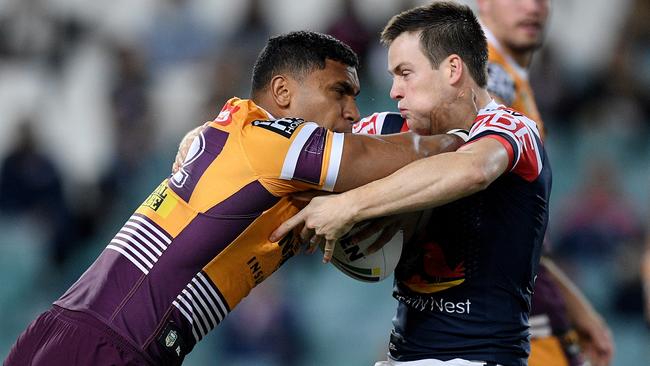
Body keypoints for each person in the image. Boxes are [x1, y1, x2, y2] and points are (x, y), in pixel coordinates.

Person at [4, 31, 466, 366]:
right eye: (339, 92)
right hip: (114, 342)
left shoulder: (242, 132)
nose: (351, 111)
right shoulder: (276, 143)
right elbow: (380, 151)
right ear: (283, 92)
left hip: (71, 329)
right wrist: (468, 136)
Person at [271, 3, 551, 365]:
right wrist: (218, 136)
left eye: (405, 73)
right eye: (392, 76)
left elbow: (472, 170)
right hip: (404, 356)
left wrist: (350, 205)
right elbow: (292, 144)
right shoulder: (388, 131)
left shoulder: (514, 130)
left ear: (452, 69)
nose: (394, 91)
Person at [477, 1, 614, 365]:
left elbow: (519, 226)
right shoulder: (486, 73)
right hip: (505, 313)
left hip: (529, 296)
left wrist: (573, 302)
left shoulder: (512, 76)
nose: (533, 7)